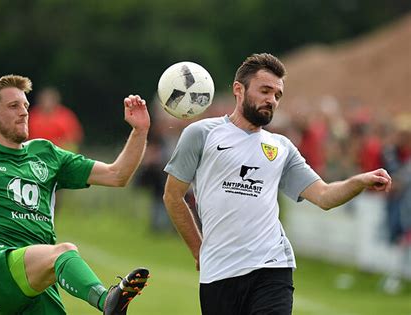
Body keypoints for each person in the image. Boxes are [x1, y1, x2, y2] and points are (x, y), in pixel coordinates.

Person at [162, 53, 392, 315]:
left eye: (277, 95)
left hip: (271, 266)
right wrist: (198, 250)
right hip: (218, 272)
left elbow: (325, 196)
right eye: (265, 90)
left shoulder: (280, 148)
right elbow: (172, 196)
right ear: (239, 90)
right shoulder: (201, 134)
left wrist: (359, 181)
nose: (272, 100)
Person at [0, 75, 150, 315]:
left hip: (42, 276)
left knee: (57, 256)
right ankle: (107, 300)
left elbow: (117, 175)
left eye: (26, 106)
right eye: (13, 106)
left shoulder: (46, 153)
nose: (24, 112)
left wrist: (140, 130)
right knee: (64, 251)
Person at [28, 87, 84, 152]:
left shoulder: (66, 117)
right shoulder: (32, 116)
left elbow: (74, 139)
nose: (47, 102)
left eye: (50, 100)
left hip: (59, 154)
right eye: (44, 99)